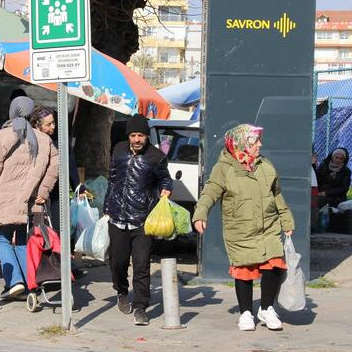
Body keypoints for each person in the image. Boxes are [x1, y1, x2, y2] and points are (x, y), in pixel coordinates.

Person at [192, 124, 294, 331]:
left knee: (274, 265)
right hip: (241, 228)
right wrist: (200, 213)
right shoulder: (224, 168)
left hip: (269, 226)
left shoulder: (265, 165)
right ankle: (246, 313)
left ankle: (266, 309)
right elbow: (210, 192)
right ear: (241, 144)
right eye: (255, 141)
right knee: (244, 269)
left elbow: (277, 194)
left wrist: (286, 219)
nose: (260, 145)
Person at [0, 97, 58, 300]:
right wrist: (43, 191)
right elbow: (55, 167)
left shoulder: (2, 136)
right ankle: (31, 282)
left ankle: (15, 281)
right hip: (32, 201)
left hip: (6, 199)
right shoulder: (44, 140)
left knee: (1, 238)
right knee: (24, 240)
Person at [104, 114, 172, 326]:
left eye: (140, 135)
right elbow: (113, 178)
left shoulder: (157, 156)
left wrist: (166, 189)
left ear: (146, 136)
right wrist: (107, 206)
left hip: (143, 219)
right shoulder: (119, 150)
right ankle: (122, 291)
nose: (136, 139)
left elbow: (165, 179)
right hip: (117, 217)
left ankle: (141, 306)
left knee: (142, 265)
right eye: (133, 135)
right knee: (118, 262)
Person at [28, 106, 80, 232]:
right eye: (48, 124)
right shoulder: (29, 142)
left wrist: (77, 186)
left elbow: (71, 166)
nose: (53, 127)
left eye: (53, 123)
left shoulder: (60, 142)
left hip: (57, 192)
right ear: (36, 125)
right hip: (34, 193)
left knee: (56, 228)